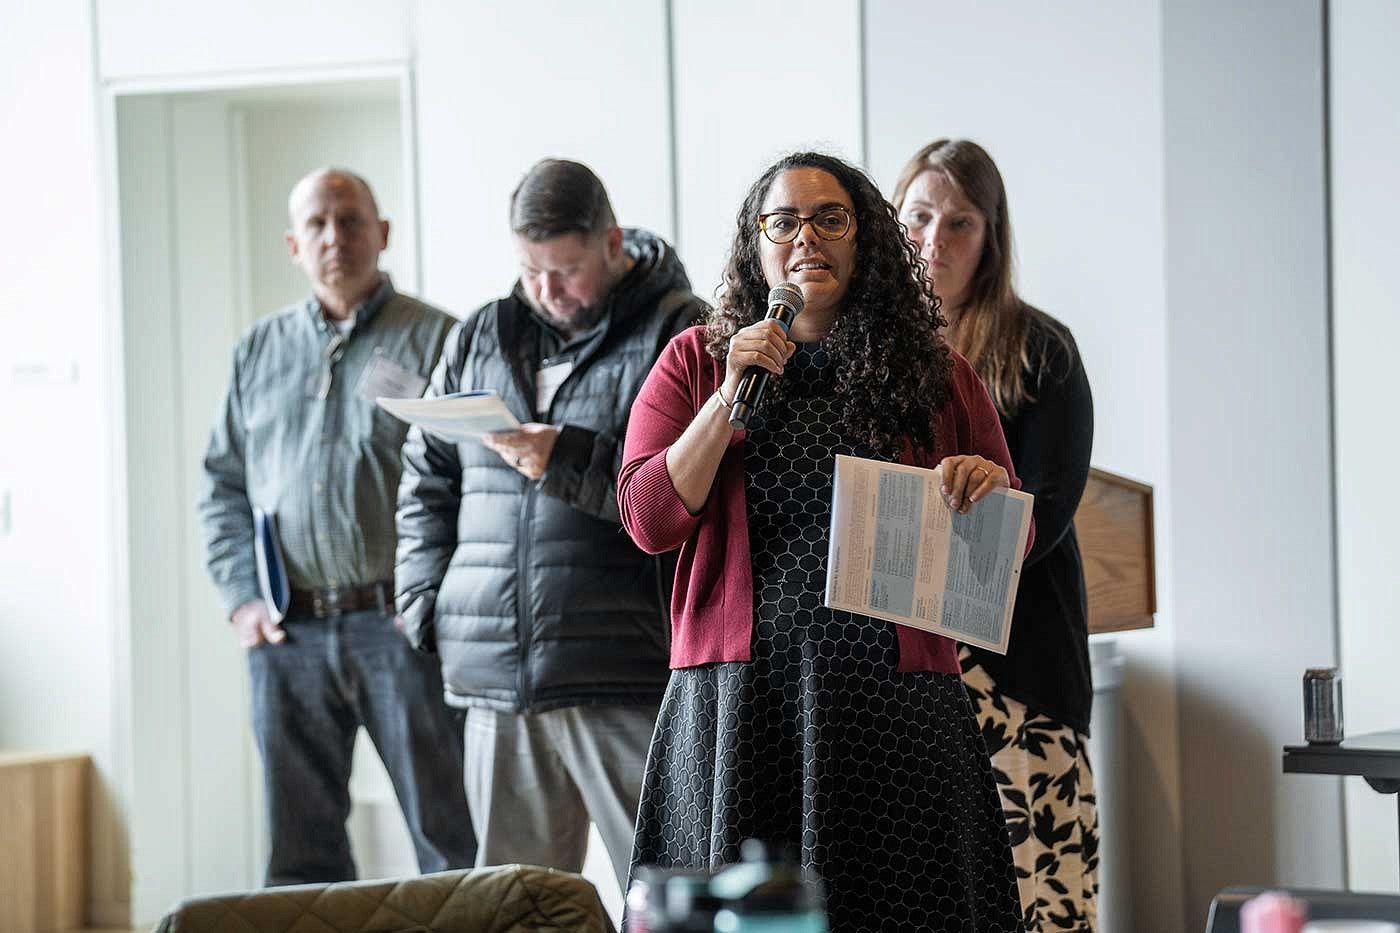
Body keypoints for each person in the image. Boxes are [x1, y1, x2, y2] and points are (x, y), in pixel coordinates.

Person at [618, 151, 1028, 932]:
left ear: (865, 236)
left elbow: (1012, 530)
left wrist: (987, 487)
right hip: (741, 709)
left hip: (894, 708)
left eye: (830, 218)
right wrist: (728, 400)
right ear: (756, 243)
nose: (806, 237)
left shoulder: (934, 372)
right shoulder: (697, 361)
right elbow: (648, 516)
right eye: (783, 221)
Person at [394, 158, 705, 894]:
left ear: (612, 241)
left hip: (625, 668)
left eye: (564, 270)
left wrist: (563, 457)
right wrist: (424, 599)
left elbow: (682, 491)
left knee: (665, 896)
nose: (546, 291)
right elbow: (425, 474)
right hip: (498, 677)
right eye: (530, 271)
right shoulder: (482, 332)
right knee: (512, 907)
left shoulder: (679, 329)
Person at [198, 167, 475, 885]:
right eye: (317, 224)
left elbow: (472, 482)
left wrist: (435, 604)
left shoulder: (439, 339)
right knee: (299, 852)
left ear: (382, 234)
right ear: (293, 243)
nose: (335, 238)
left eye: (351, 221)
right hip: (287, 634)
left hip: (401, 630)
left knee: (447, 838)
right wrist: (242, 597)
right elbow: (222, 484)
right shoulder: (257, 351)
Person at [893, 138, 1097, 932]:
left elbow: (1047, 506)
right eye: (917, 218)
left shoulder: (1040, 349)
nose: (933, 243)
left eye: (959, 223)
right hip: (908, 672)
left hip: (1017, 669)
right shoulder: (865, 351)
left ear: (992, 237)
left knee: (1038, 903)